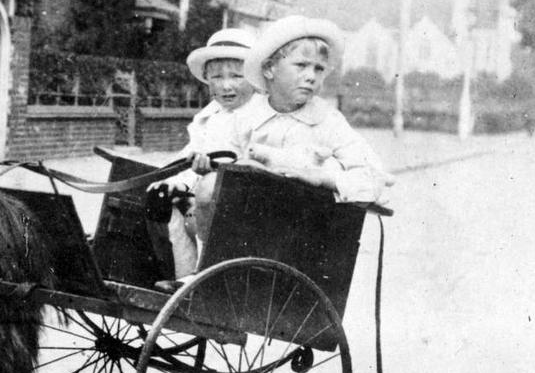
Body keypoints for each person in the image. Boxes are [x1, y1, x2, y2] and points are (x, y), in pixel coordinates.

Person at [233, 14, 393, 203]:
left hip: (308, 222)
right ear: (269, 69)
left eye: (319, 68)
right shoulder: (246, 116)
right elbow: (219, 160)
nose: (311, 76)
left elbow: (374, 175)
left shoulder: (328, 121)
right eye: (301, 65)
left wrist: (323, 178)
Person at [152, 28, 257, 277]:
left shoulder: (259, 116)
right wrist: (172, 182)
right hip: (203, 203)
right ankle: (182, 274)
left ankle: (203, 273)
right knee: (162, 197)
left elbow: (255, 162)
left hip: (241, 208)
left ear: (254, 78)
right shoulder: (209, 116)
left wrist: (214, 171)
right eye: (217, 77)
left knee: (206, 191)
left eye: (237, 76)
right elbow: (189, 155)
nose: (226, 85)